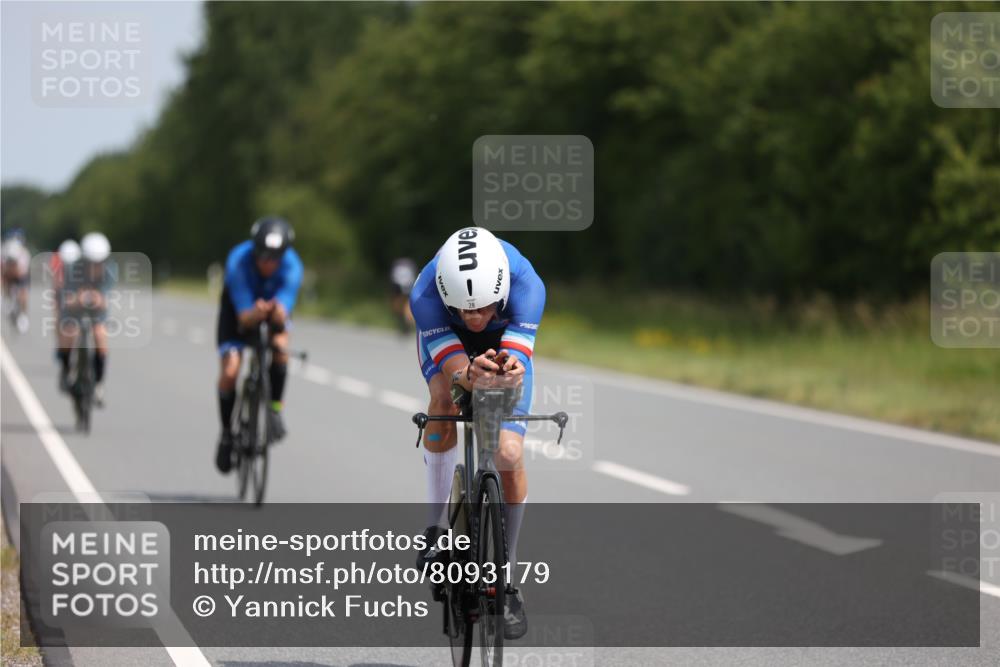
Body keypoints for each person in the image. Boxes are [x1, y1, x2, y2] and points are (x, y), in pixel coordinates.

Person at [410, 226, 545, 640]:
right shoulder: (425, 294)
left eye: (483, 308)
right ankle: (435, 525)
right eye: (464, 309)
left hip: (502, 344)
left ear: (501, 291)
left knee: (506, 452)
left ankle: (507, 574)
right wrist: (467, 373)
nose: (473, 318)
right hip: (448, 347)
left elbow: (516, 358)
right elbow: (455, 371)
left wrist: (507, 370)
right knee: (443, 400)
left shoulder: (528, 286)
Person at [214, 217, 303, 474]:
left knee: (281, 348)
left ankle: (275, 408)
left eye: (275, 258)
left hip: (271, 309)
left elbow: (283, 311)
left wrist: (275, 313)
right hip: (239, 311)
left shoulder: (293, 265)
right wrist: (255, 313)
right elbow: (244, 317)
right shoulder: (238, 261)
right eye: (263, 257)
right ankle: (226, 434)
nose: (268, 263)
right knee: (230, 370)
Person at [58, 233, 113, 403]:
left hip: (96, 311)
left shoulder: (110, 271)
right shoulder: (73, 269)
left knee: (100, 334)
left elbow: (106, 301)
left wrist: (97, 299)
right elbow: (66, 299)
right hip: (74, 309)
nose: (96, 266)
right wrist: (77, 299)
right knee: (69, 331)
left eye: (100, 262)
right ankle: (66, 370)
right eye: (91, 262)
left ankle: (98, 383)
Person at [1, 230, 32, 333]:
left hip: (21, 275)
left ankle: (23, 316)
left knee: (23, 294)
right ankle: (7, 299)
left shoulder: (24, 255)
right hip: (9, 274)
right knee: (5, 281)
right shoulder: (5, 252)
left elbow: (24, 273)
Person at [389, 257, 418, 333]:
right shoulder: (409, 265)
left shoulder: (398, 265)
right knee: (404, 306)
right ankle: (407, 324)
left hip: (400, 286)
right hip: (406, 286)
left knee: (401, 306)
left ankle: (407, 324)